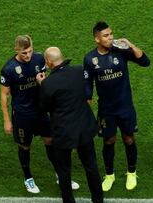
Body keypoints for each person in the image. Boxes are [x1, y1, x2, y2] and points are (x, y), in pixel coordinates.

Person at [0, 35, 79, 193]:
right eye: (24, 53)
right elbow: (4, 95)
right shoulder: (9, 69)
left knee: (50, 141)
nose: (28, 55)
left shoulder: (39, 59)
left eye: (30, 51)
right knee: (25, 146)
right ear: (17, 50)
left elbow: (47, 82)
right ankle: (28, 178)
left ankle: (61, 176)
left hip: (40, 111)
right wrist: (7, 120)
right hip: (23, 115)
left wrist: (41, 83)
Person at [83, 21, 150, 191]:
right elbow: (88, 84)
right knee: (109, 140)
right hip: (106, 109)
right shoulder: (90, 59)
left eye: (111, 34)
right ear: (97, 39)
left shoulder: (120, 51)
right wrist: (86, 104)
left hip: (125, 107)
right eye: (106, 35)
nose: (110, 37)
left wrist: (130, 45)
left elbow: (145, 61)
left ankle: (132, 172)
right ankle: (109, 175)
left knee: (129, 139)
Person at [37, 47, 103, 203]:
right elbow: (86, 91)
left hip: (64, 132)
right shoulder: (79, 71)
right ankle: (98, 200)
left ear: (48, 62)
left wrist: (42, 84)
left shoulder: (49, 83)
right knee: (91, 166)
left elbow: (43, 108)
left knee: (64, 170)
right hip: (84, 128)